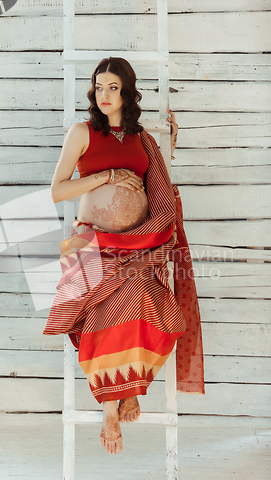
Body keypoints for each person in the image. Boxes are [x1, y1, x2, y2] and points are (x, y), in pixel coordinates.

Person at [43, 57, 205, 456]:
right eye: (99, 87)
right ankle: (112, 407)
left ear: (128, 92)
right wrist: (107, 176)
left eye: (113, 87)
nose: (104, 95)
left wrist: (149, 237)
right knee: (108, 308)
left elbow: (160, 194)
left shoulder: (142, 138)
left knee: (147, 303)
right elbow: (57, 191)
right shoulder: (82, 132)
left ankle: (131, 385)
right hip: (91, 245)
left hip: (139, 246)